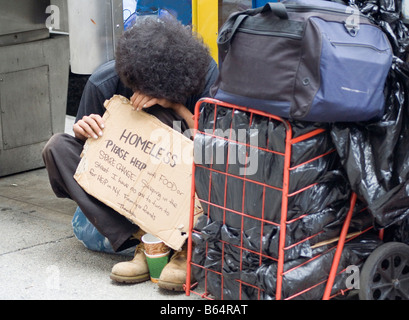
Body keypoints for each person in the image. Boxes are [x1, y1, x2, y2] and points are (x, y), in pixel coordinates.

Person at [42, 16, 218, 291]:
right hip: (126, 195)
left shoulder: (204, 74)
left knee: (161, 119)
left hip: (185, 192)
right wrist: (82, 131)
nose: (141, 95)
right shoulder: (104, 82)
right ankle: (147, 242)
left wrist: (173, 106)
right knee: (56, 147)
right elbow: (88, 160)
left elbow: (217, 147)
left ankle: (186, 244)